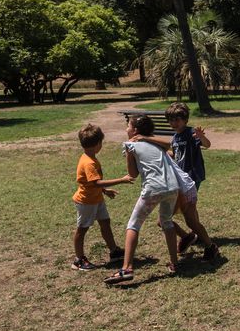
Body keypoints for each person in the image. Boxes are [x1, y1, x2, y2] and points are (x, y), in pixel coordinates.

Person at [134, 102, 219, 260]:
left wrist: (201, 137)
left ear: (185, 120)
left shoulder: (190, 133)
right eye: (171, 120)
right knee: (186, 216)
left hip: (191, 179)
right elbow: (174, 151)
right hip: (180, 180)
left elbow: (207, 145)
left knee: (179, 218)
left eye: (177, 120)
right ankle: (194, 237)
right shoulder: (176, 137)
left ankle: (201, 242)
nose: (174, 123)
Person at [104, 115, 181, 284]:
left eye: (128, 126)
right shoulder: (155, 143)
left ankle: (127, 268)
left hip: (153, 189)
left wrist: (129, 155)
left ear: (135, 130)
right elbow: (170, 147)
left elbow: (132, 174)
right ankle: (175, 263)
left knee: (133, 225)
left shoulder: (130, 145)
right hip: (173, 187)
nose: (126, 129)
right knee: (167, 222)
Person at [71, 124, 133, 270]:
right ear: (98, 144)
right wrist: (121, 180)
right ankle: (78, 260)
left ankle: (114, 251)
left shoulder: (89, 157)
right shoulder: (89, 163)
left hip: (96, 198)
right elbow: (96, 182)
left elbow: (93, 183)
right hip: (86, 201)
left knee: (105, 222)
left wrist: (104, 191)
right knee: (82, 229)